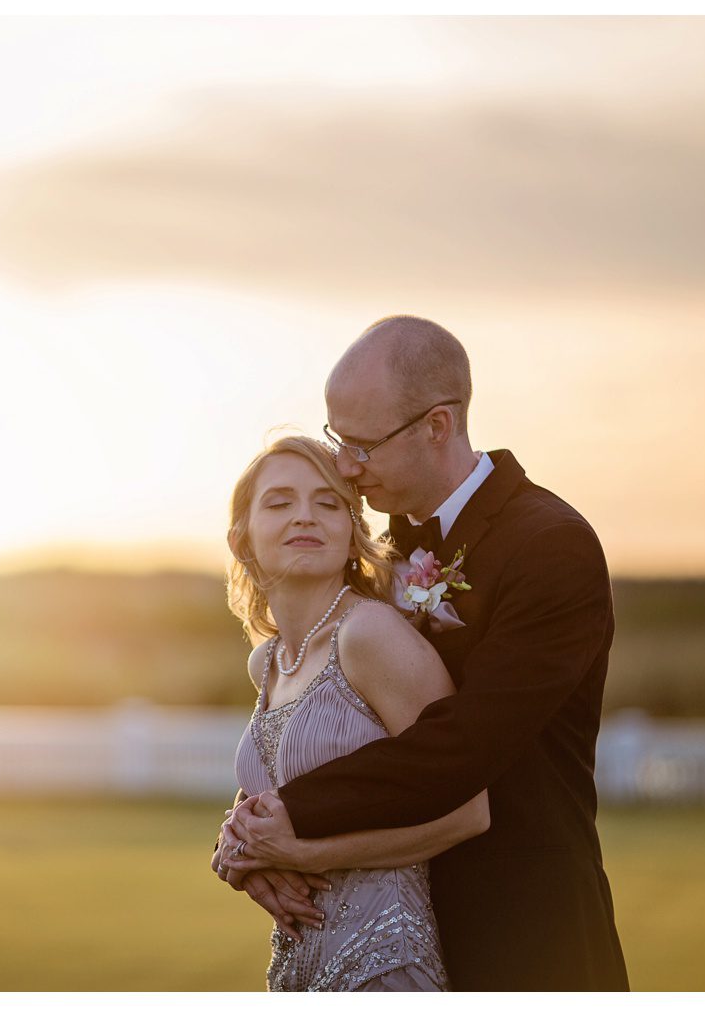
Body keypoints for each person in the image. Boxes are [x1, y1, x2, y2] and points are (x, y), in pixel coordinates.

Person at [218, 315, 629, 991]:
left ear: (436, 426)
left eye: (361, 445)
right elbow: (314, 721)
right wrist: (242, 842)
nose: (346, 467)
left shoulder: (550, 546)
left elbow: (462, 745)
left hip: (522, 934)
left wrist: (288, 822)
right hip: (390, 918)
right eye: (336, 439)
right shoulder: (393, 546)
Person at [215, 434, 490, 991]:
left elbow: (470, 812)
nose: (305, 516)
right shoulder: (265, 663)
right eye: (279, 502)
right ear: (241, 538)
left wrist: (306, 854)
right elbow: (284, 795)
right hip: (299, 964)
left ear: (351, 531)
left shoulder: (370, 634)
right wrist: (238, 849)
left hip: (383, 959)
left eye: (327, 501)